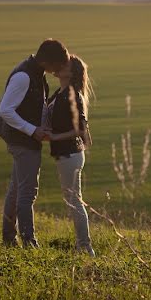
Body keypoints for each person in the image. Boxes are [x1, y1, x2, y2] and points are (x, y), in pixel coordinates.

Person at [0, 39, 69, 248]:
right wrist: (33, 130)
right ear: (48, 62)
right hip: (22, 141)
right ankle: (29, 242)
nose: (58, 71)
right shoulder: (24, 77)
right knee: (28, 192)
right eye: (58, 65)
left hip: (24, 139)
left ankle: (9, 239)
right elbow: (5, 110)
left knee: (16, 190)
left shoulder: (35, 74)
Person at [47, 54, 96, 256]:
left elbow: (81, 129)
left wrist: (55, 137)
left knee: (75, 201)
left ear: (72, 72)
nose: (59, 66)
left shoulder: (72, 94)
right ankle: (82, 246)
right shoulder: (60, 92)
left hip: (70, 154)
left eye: (64, 64)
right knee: (73, 200)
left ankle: (85, 247)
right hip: (66, 154)